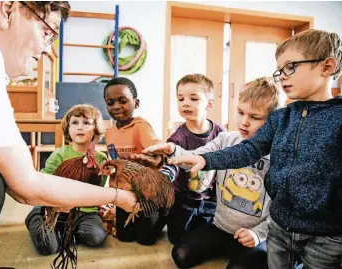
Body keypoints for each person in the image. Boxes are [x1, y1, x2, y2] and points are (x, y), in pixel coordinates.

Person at [168, 29, 342, 269]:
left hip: (322, 234)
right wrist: (203, 159)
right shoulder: (282, 118)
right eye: (279, 70)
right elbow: (247, 150)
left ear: (327, 66)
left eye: (290, 67)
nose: (282, 76)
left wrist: (260, 234)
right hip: (279, 229)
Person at [0, 1, 136, 246]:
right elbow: (28, 186)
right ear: (7, 10)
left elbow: (22, 184)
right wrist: (120, 197)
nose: (47, 50)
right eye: (47, 32)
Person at [144, 77, 277, 269]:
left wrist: (258, 234)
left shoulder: (278, 153)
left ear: (273, 119)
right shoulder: (226, 139)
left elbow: (282, 207)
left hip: (254, 235)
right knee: (180, 255)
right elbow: (195, 158)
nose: (244, 122)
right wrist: (172, 149)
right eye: (240, 113)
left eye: (255, 117)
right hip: (221, 227)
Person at [25, 104, 109, 255]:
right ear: (68, 129)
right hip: (54, 207)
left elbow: (100, 187)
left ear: (96, 130)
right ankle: (35, 217)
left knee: (95, 237)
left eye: (86, 123)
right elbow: (44, 182)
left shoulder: (101, 158)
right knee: (48, 246)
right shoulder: (59, 154)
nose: (80, 127)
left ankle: (70, 230)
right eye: (75, 123)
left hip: (86, 210)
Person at [103, 77, 175, 245]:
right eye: (110, 102)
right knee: (125, 237)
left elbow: (158, 150)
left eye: (122, 101)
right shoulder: (109, 133)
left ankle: (164, 212)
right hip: (125, 193)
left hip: (146, 193)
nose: (116, 106)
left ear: (136, 103)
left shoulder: (141, 126)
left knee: (146, 239)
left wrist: (155, 158)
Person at [154, 74, 225, 245]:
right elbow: (170, 165)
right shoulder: (177, 138)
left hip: (210, 197)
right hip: (182, 196)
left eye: (194, 98)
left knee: (210, 233)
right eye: (181, 98)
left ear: (209, 104)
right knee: (176, 238)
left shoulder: (221, 133)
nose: (186, 103)